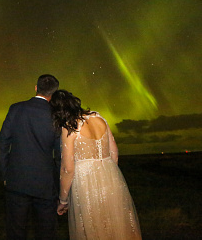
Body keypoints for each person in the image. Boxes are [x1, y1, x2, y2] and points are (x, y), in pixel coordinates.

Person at [49, 90, 142, 240]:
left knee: (92, 227)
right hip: (110, 174)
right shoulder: (98, 117)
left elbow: (68, 168)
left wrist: (63, 200)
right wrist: (109, 174)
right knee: (114, 223)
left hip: (85, 182)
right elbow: (114, 152)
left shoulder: (69, 127)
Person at [0, 74, 61, 240]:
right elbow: (60, 154)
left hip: (17, 180)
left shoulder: (16, 109)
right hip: (45, 183)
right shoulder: (56, 116)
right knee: (46, 232)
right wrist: (59, 182)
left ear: (35, 88)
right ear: (53, 93)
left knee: (16, 231)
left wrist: (5, 174)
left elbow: (2, 143)